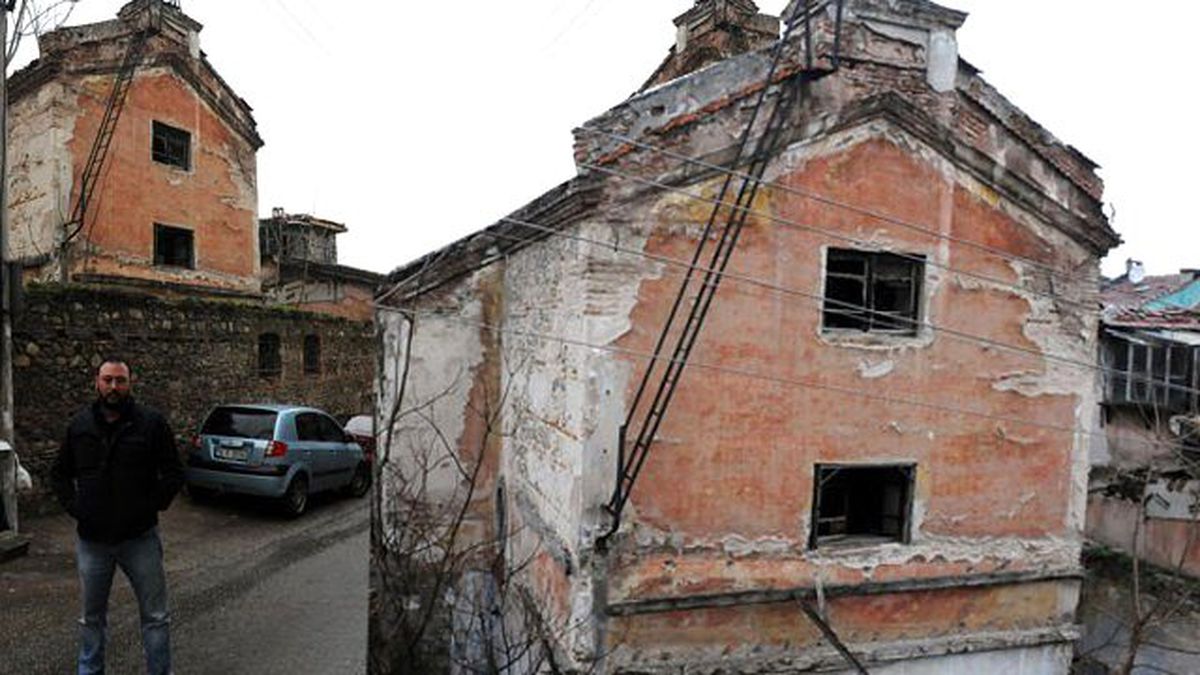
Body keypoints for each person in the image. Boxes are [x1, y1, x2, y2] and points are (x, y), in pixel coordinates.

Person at [51, 358, 184, 675]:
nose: (114, 387)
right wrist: (76, 507)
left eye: (120, 381)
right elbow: (58, 474)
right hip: (93, 542)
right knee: (91, 617)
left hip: (140, 539)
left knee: (155, 616)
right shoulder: (80, 425)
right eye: (108, 380)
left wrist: (150, 506)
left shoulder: (151, 424)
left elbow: (174, 473)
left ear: (130, 383)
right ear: (96, 382)